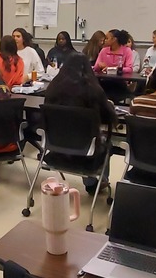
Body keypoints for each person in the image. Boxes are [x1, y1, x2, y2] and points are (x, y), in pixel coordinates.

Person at [44, 52, 117, 194]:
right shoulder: (93, 89)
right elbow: (108, 117)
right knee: (107, 143)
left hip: (56, 147)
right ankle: (94, 183)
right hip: (86, 151)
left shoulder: (53, 88)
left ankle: (93, 181)